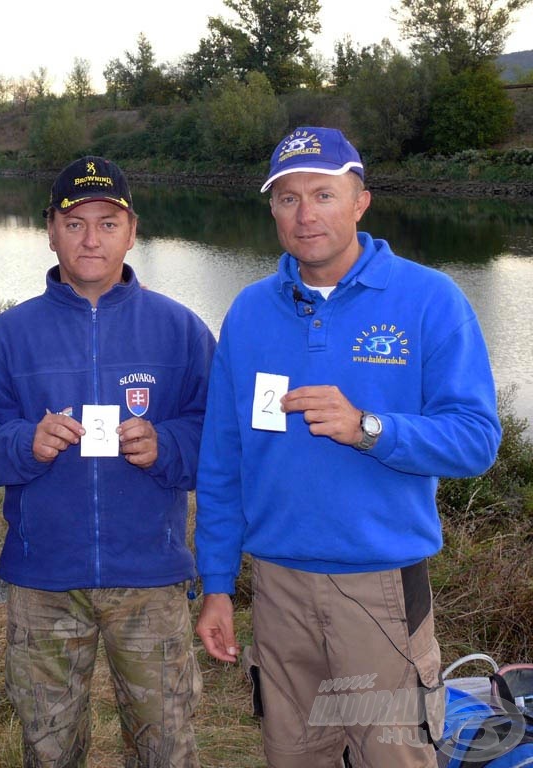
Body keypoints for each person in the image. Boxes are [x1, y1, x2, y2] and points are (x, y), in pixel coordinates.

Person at [194, 126, 503, 767]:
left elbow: (476, 441)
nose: (306, 215)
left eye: (324, 194)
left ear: (360, 201)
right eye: (287, 198)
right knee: (295, 755)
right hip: (278, 589)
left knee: (390, 756)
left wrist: (371, 428)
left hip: (380, 591)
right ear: (272, 208)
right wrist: (218, 585)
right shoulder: (250, 313)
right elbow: (222, 463)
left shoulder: (430, 300)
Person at [0, 155, 216, 767]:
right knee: (49, 752)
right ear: (49, 229)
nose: (91, 238)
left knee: (165, 747)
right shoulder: (9, 334)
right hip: (44, 581)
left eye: (108, 223)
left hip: (151, 579)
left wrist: (169, 446)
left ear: (133, 232)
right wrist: (27, 443)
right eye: (75, 222)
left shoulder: (181, 331)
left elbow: (216, 441)